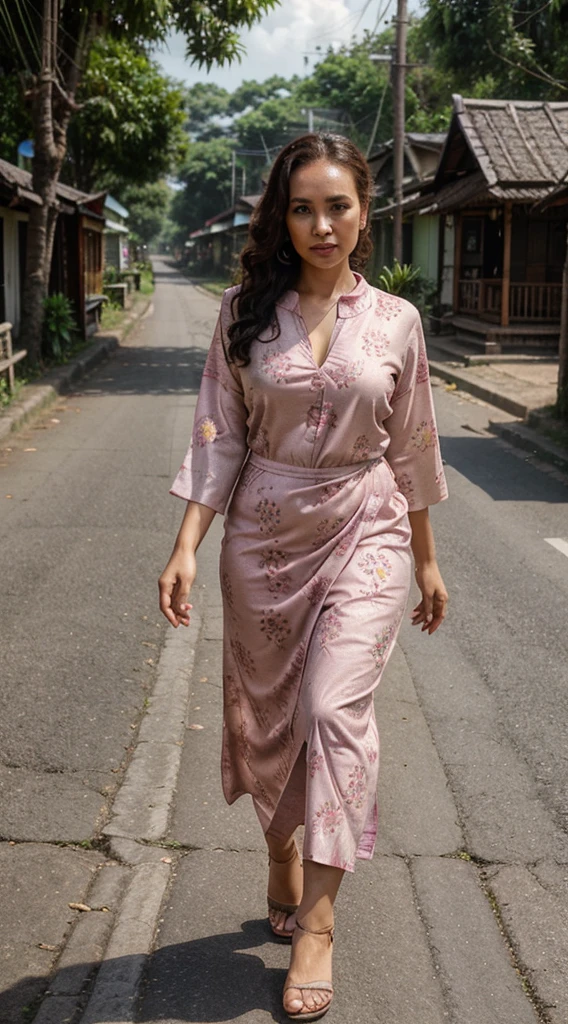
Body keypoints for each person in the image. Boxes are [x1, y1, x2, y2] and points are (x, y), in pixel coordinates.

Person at [159, 132, 448, 1022]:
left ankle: (317, 924)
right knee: (272, 717)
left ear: (366, 211)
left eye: (339, 205)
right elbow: (220, 434)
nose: (323, 224)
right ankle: (282, 845)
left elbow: (413, 446)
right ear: (282, 218)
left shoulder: (397, 321)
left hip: (367, 526)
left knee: (332, 710)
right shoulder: (245, 311)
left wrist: (428, 562)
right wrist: (185, 545)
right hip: (266, 537)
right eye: (303, 207)